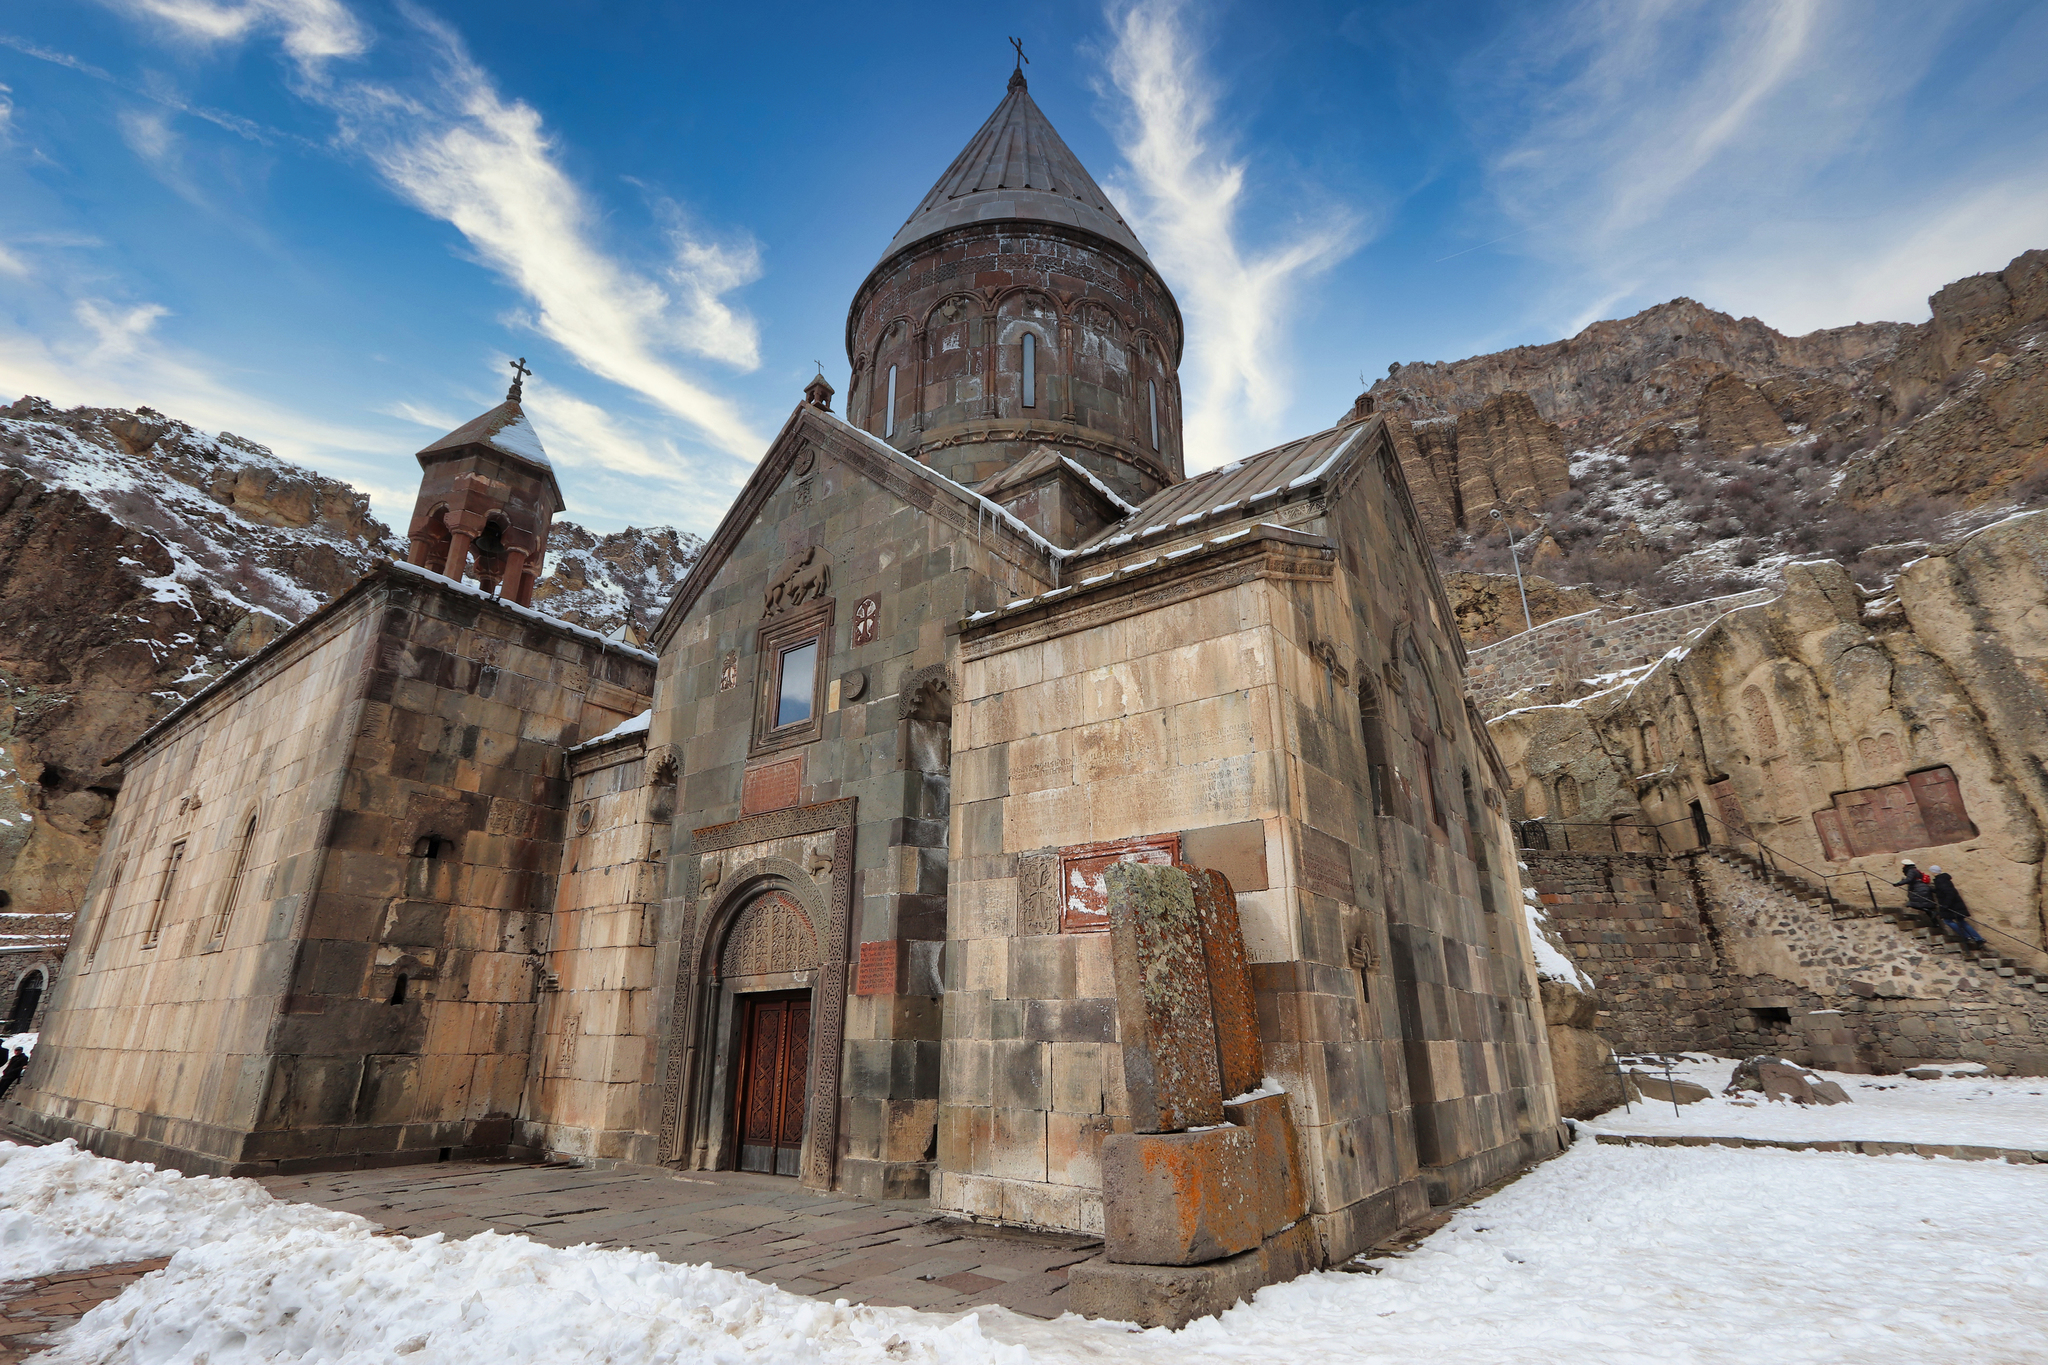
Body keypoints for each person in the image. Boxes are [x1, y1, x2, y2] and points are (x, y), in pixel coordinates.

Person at [1929, 866, 1986, 947]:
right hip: (1955, 904)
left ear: (1933, 872)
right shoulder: (1944, 879)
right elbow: (1942, 891)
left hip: (1951, 905)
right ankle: (1978, 939)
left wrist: (1946, 904)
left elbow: (1949, 893)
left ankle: (1967, 936)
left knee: (1947, 921)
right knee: (1961, 921)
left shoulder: (1940, 880)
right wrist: (1932, 890)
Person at [1895, 860, 1940, 931]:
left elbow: (1909, 879)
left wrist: (1898, 883)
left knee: (1912, 904)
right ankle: (1936, 923)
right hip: (1923, 888)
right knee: (1926, 906)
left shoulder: (1911, 871)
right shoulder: (1916, 870)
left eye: (1904, 865)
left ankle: (1933, 913)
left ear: (1906, 866)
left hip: (1919, 890)